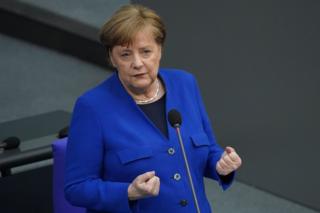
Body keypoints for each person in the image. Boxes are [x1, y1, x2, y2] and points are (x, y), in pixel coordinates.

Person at [64, 4, 242, 213]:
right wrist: (129, 192)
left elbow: (208, 149)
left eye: (146, 51)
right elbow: (76, 188)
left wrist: (221, 164)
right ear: (112, 58)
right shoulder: (93, 107)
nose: (137, 63)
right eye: (126, 54)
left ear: (160, 50)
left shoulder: (185, 84)